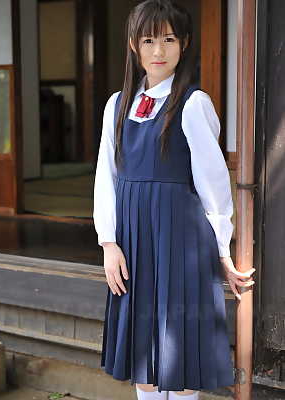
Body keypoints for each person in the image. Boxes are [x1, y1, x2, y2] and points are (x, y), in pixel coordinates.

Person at [93, 0, 255, 398]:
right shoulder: (116, 105)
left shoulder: (193, 104)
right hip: (132, 244)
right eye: (148, 40)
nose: (158, 51)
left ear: (184, 44)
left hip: (181, 244)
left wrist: (221, 249)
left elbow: (214, 186)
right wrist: (109, 242)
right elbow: (106, 177)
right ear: (134, 45)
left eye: (168, 40)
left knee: (180, 358)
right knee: (143, 360)